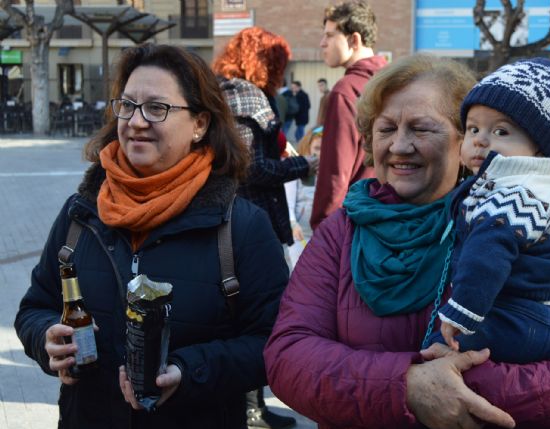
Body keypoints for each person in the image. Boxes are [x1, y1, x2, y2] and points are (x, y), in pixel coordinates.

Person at [264, 54, 550, 429]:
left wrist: (466, 390)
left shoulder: (516, 215)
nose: (399, 146)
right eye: (385, 128)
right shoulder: (342, 231)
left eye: (421, 129)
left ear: (465, 139)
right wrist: (406, 387)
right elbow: (290, 356)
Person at [14, 43, 289, 429]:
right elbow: (34, 307)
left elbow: (276, 344)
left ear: (200, 124)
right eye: (126, 105)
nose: (136, 121)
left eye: (157, 108)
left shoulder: (240, 226)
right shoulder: (81, 213)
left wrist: (188, 371)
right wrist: (45, 339)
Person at [426, 58, 550, 363]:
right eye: (473, 128)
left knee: (440, 343)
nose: (480, 140)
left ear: (538, 146)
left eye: (501, 132)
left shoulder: (508, 194)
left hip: (515, 320)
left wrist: (460, 314)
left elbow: (485, 260)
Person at [213, 26, 317, 429]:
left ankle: (253, 406)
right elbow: (247, 168)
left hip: (234, 219)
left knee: (245, 313)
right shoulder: (245, 95)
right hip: (248, 221)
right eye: (279, 63)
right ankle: (251, 410)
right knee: (259, 315)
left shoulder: (224, 91)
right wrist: (301, 165)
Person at [310, 0, 387, 230]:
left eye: (330, 36)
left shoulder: (346, 91)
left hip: (355, 222)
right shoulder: (396, 83)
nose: (322, 44)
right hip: (394, 215)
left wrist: (321, 227)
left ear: (354, 40)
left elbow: (335, 174)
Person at [285, 125, 323, 267]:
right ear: (308, 147)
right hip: (299, 235)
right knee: (299, 272)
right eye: (317, 148)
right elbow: (288, 203)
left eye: (324, 148)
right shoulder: (297, 170)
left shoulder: (332, 173)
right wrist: (293, 224)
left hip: (321, 236)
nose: (320, 153)